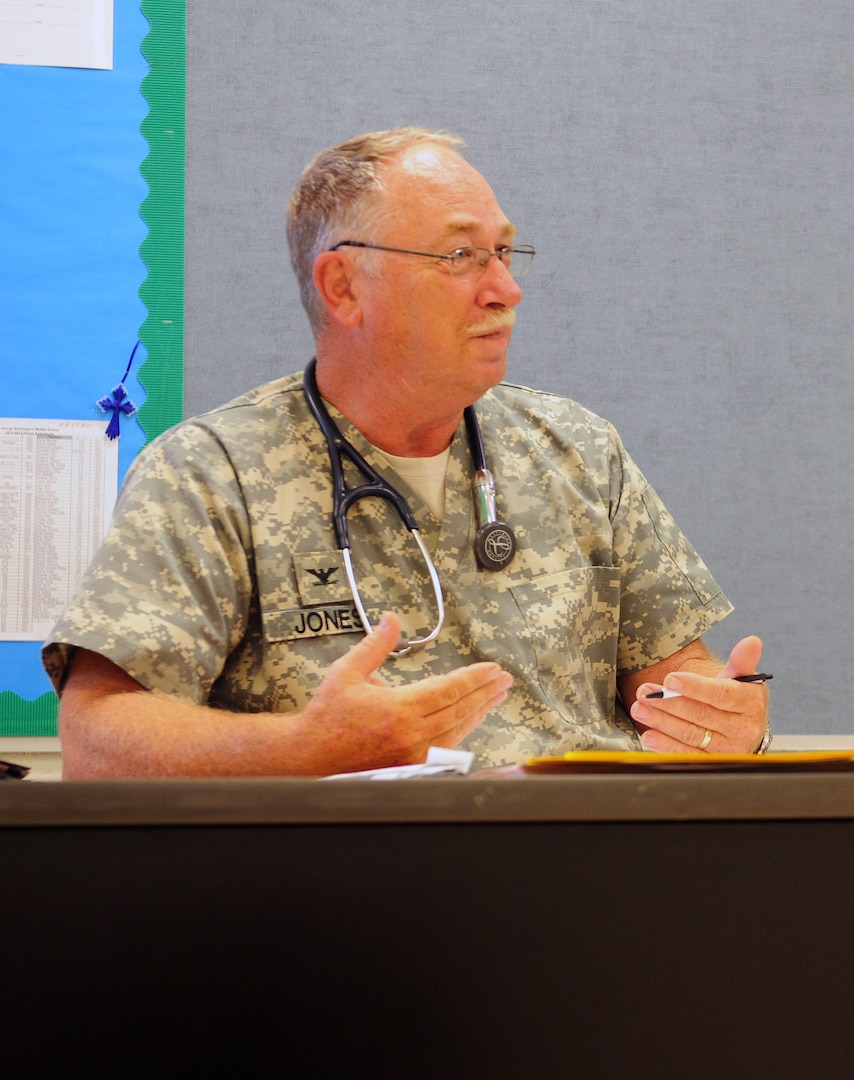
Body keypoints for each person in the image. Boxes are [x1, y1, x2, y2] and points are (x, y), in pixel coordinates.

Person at [45, 128, 770, 777]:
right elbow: (97, 738)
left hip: (587, 874)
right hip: (357, 895)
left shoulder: (579, 451)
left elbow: (680, 673)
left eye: (504, 252)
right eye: (461, 256)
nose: (506, 289)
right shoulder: (210, 475)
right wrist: (299, 750)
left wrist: (719, 718)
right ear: (343, 286)